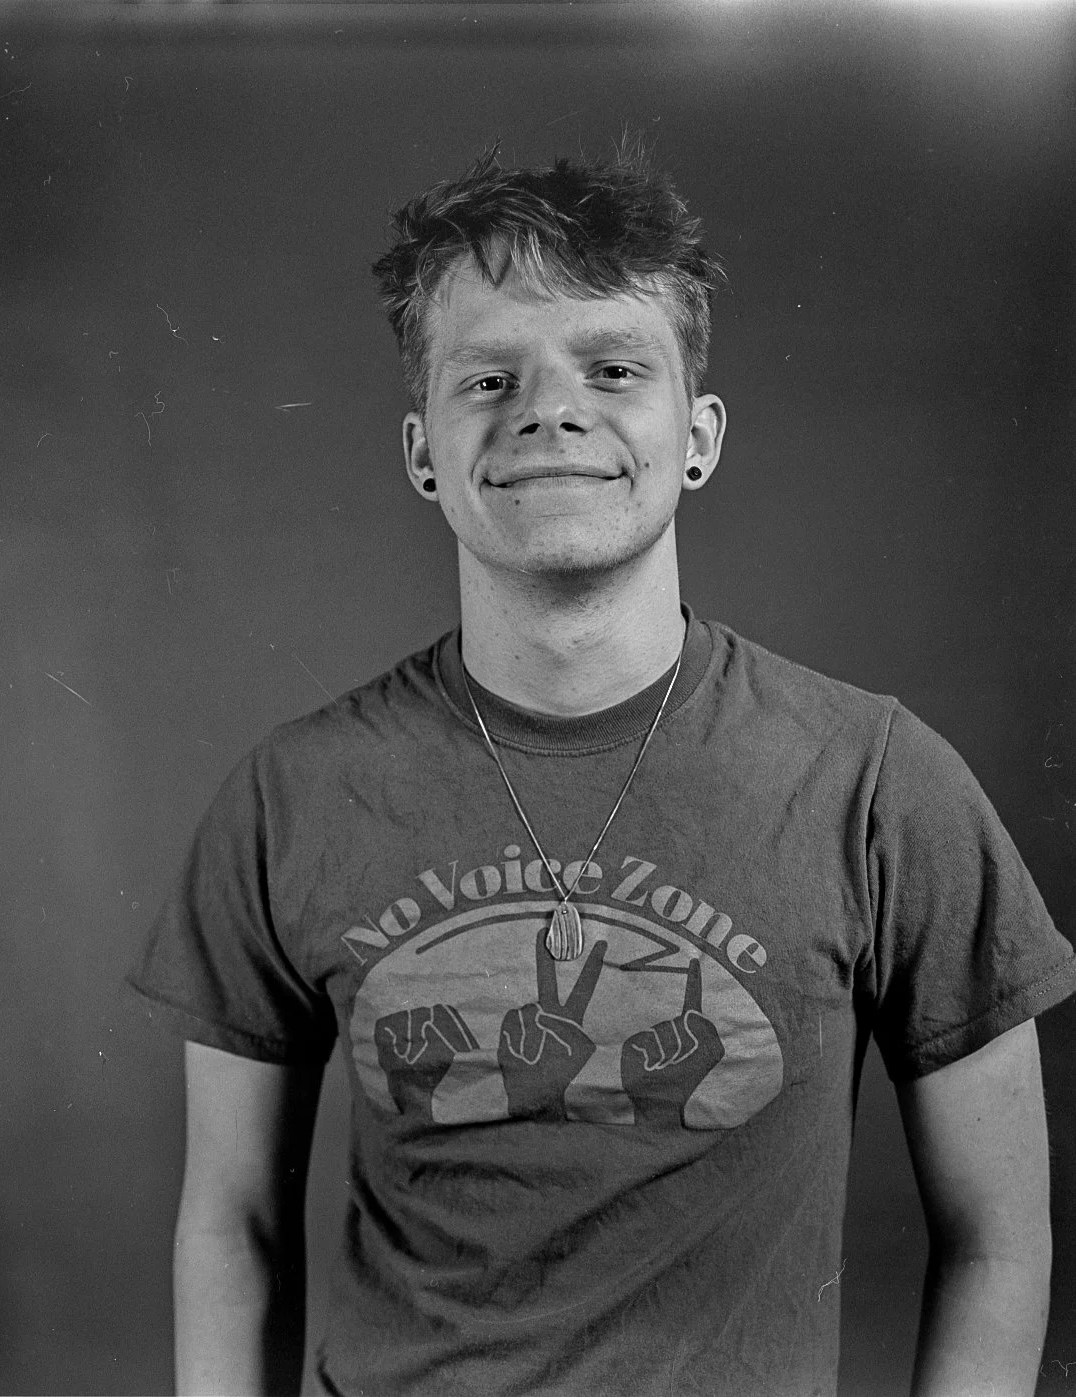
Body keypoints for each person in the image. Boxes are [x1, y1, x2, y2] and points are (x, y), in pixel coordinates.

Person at [130, 142, 1075, 1397]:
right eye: (489, 377)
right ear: (422, 451)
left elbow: (998, 1237)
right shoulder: (290, 793)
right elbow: (232, 1226)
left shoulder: (879, 781)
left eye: (614, 368)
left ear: (698, 436)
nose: (550, 409)